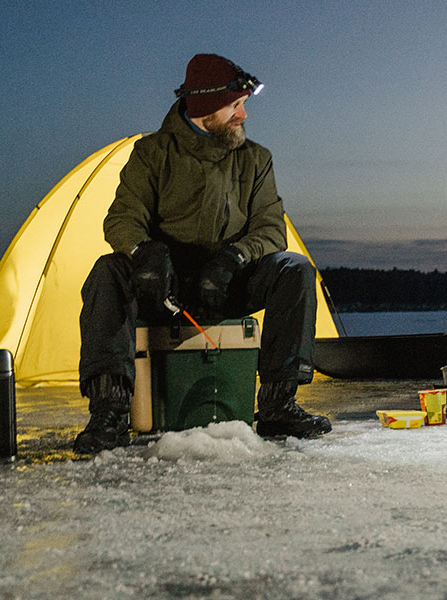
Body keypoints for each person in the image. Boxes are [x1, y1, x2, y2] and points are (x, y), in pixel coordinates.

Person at [73, 54, 331, 453]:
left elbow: (271, 228)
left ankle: (280, 405)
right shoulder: (152, 154)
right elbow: (121, 218)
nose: (243, 115)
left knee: (294, 269)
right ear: (206, 107)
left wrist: (235, 258)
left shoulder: (255, 159)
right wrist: (144, 253)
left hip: (226, 281)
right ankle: (109, 411)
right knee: (108, 271)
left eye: (244, 105)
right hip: (166, 288)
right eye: (235, 106)